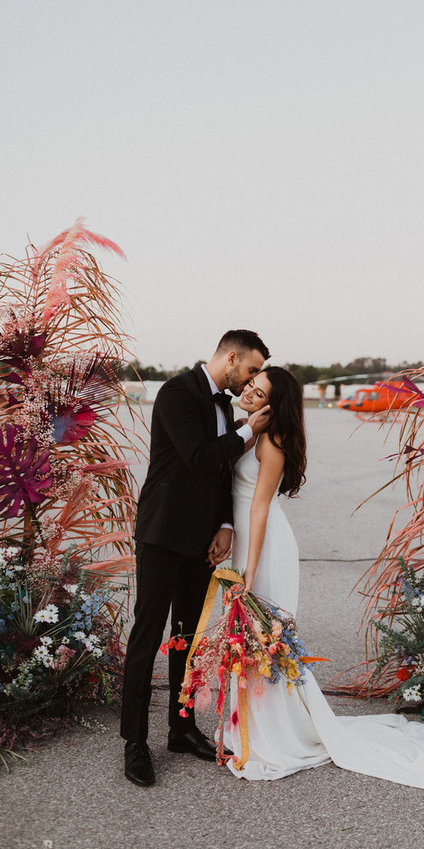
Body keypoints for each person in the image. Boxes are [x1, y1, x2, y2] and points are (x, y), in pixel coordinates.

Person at [223, 366, 424, 798]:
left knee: (264, 639)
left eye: (258, 393)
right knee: (249, 639)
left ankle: (273, 736)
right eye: (249, 387)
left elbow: (259, 508)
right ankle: (247, 729)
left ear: (273, 405)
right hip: (245, 539)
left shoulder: (273, 442)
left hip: (263, 548)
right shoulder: (249, 429)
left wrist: (251, 571)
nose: (248, 394)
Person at [121, 329, 271, 786]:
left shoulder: (224, 407)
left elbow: (221, 474)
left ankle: (181, 729)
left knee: (186, 637)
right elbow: (197, 457)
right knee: (148, 637)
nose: (251, 380)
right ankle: (134, 744)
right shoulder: (176, 393)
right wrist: (251, 430)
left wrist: (225, 525)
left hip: (201, 543)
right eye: (250, 370)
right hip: (163, 534)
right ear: (231, 357)